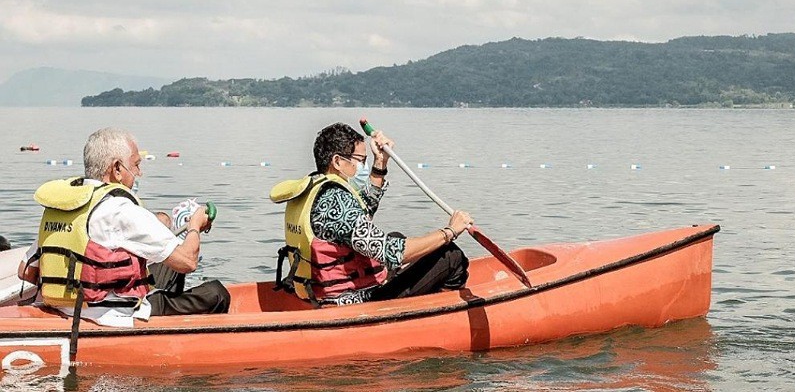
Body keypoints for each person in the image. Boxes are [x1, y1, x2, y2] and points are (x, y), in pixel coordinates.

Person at [18, 127, 230, 329]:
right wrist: (194, 225)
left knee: (166, 265)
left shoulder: (65, 204)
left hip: (63, 309)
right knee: (216, 293)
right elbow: (187, 261)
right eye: (136, 165)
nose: (139, 173)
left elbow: (25, 272)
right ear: (117, 168)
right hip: (114, 317)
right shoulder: (120, 209)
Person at [270, 122, 472, 306]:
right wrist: (449, 231)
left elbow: (361, 214)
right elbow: (393, 253)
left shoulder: (317, 188)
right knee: (451, 256)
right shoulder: (336, 201)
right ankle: (437, 312)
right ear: (338, 161)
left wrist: (380, 163)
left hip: (318, 290)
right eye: (360, 159)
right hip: (350, 300)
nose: (363, 166)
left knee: (396, 237)